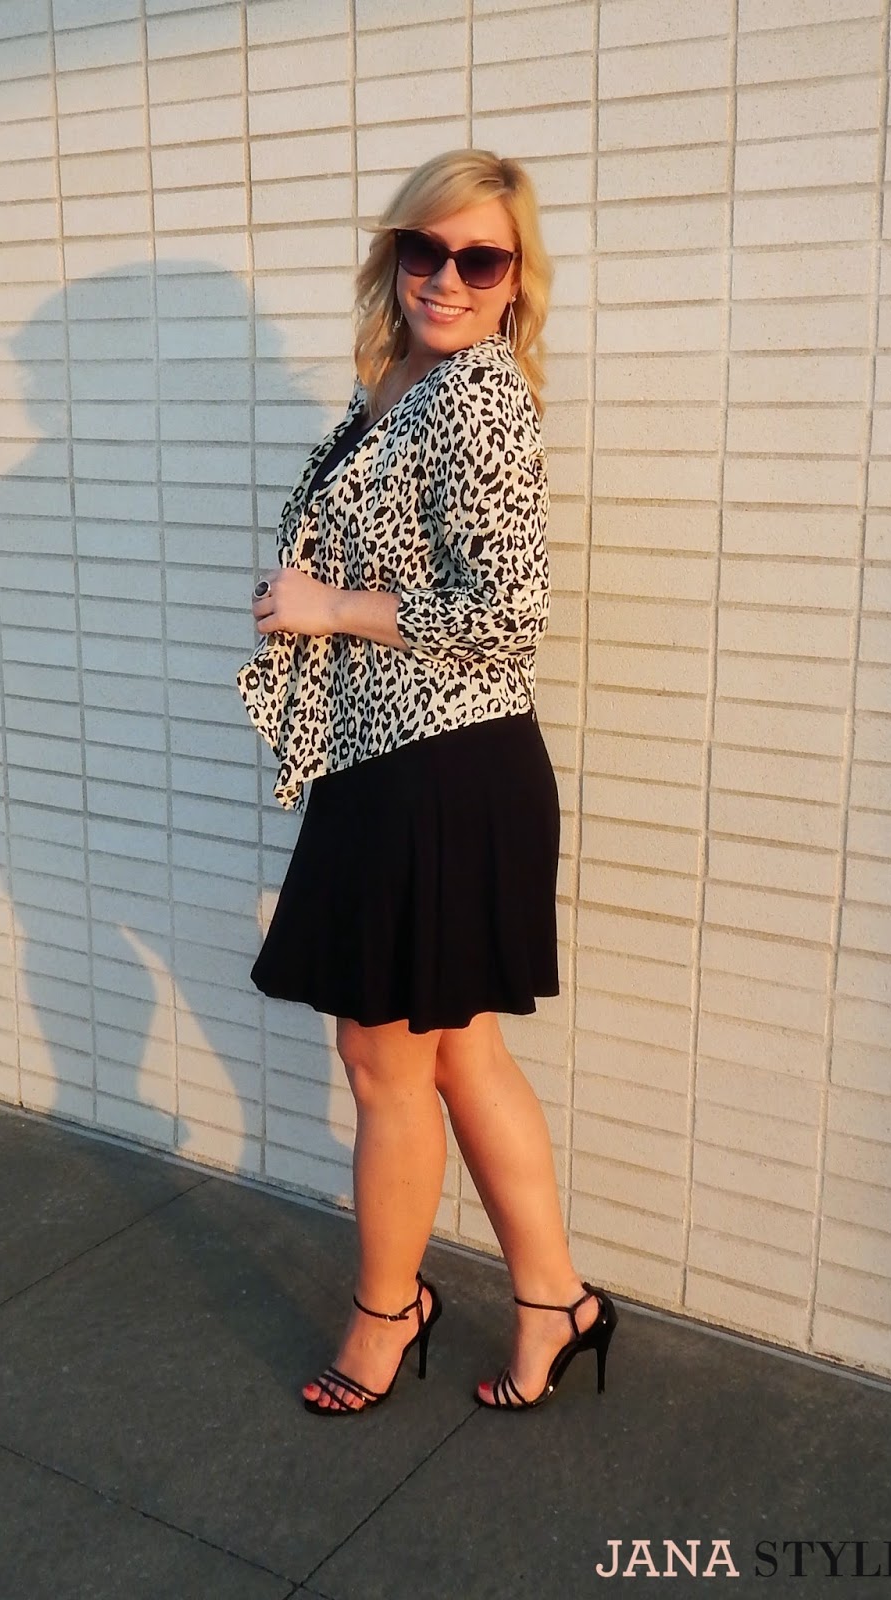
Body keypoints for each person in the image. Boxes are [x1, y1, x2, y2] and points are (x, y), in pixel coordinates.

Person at [235, 149, 616, 1415]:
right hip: (400, 761)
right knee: (452, 1054)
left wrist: (326, 605)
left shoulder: (479, 400)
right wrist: (306, 599)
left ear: (514, 279)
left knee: (380, 1057)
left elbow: (506, 613)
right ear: (391, 254)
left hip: (437, 769)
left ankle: (384, 1316)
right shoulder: (398, 381)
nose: (445, 277)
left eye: (478, 258)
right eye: (423, 249)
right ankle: (554, 1299)